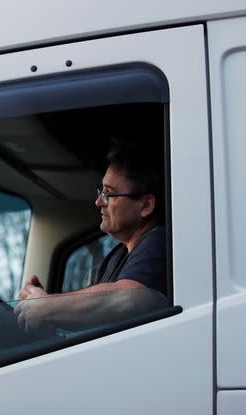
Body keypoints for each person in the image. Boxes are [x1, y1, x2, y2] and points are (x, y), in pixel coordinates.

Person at [14, 138, 168, 332]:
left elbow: (131, 299)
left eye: (108, 194)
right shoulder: (117, 255)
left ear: (146, 206)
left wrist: (46, 306)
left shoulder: (158, 241)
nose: (98, 202)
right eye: (100, 192)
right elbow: (101, 317)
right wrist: (41, 310)